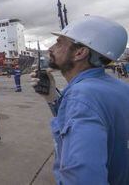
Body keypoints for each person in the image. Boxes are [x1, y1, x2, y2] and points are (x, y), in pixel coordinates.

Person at [31, 16, 129, 184]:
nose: (50, 48)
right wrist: (52, 98)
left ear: (80, 53)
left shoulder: (81, 97)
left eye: (59, 42)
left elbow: (83, 178)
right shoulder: (119, 87)